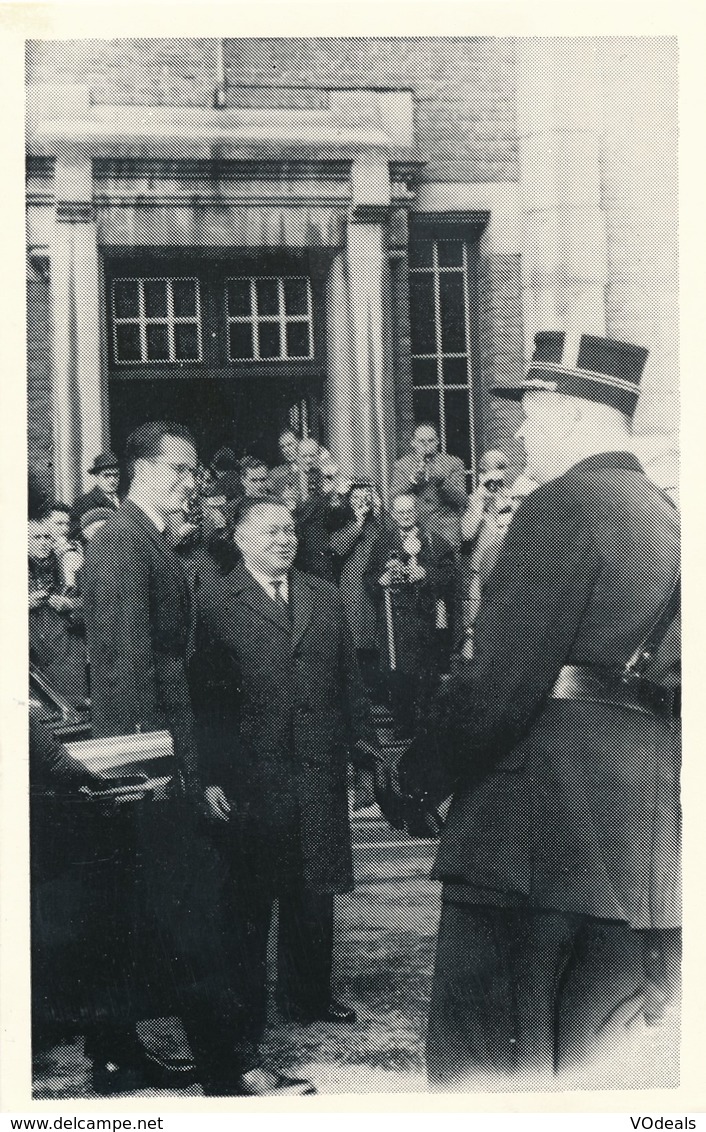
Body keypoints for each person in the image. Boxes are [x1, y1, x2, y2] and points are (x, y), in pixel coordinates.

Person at [389, 332, 681, 1088]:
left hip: (530, 843)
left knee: (483, 1068)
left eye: (534, 414)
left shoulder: (562, 507)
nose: (521, 433)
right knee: (598, 1068)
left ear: (577, 415)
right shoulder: (665, 516)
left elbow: (498, 688)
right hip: (636, 852)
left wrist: (414, 776)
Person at [81, 421, 257, 1097]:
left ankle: (118, 1057)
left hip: (159, 759)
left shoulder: (144, 541)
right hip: (148, 767)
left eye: (194, 474)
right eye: (181, 471)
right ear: (141, 470)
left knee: (133, 917)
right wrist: (153, 778)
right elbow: (125, 674)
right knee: (187, 914)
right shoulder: (124, 544)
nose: (192, 484)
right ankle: (223, 1071)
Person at [191, 500, 379, 1093]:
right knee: (251, 902)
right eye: (270, 530)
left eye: (290, 529)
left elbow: (349, 681)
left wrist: (364, 755)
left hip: (317, 765)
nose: (284, 539)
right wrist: (211, 776)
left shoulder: (322, 595)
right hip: (253, 775)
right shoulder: (216, 602)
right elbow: (207, 702)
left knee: (314, 880)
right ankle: (246, 1026)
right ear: (239, 539)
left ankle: (308, 996)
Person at [365, 493, 455, 739]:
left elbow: (448, 575)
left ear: (416, 511)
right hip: (393, 619)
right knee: (395, 673)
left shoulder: (435, 542)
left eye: (409, 510)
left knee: (425, 672)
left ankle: (425, 726)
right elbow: (369, 577)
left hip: (424, 619)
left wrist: (424, 573)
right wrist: (379, 580)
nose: (404, 515)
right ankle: (402, 723)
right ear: (393, 514)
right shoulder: (383, 543)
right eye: (399, 511)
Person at [329, 483, 388, 692]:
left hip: (375, 588)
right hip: (352, 588)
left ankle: (379, 689)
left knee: (377, 637)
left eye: (366, 497)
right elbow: (336, 547)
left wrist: (379, 510)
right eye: (356, 498)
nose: (361, 502)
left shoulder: (379, 525)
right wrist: (358, 522)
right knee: (355, 637)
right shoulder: (343, 524)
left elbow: (390, 537)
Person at [28, 514, 88, 706]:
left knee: (73, 712)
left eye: (47, 537)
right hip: (34, 656)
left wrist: (68, 604)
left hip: (68, 652)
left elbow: (91, 603)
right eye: (37, 537)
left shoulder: (66, 565)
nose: (44, 542)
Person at [391, 422, 468, 550]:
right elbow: (392, 497)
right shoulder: (402, 465)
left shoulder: (454, 463)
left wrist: (442, 481)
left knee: (448, 569)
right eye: (421, 441)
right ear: (413, 443)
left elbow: (462, 499)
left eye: (430, 440)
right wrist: (412, 480)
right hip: (414, 530)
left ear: (437, 442)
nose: (426, 444)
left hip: (446, 530)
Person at [70, 452, 122, 529]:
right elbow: (75, 533)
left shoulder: (124, 499)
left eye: (115, 475)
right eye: (107, 476)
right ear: (96, 476)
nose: (112, 480)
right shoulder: (83, 502)